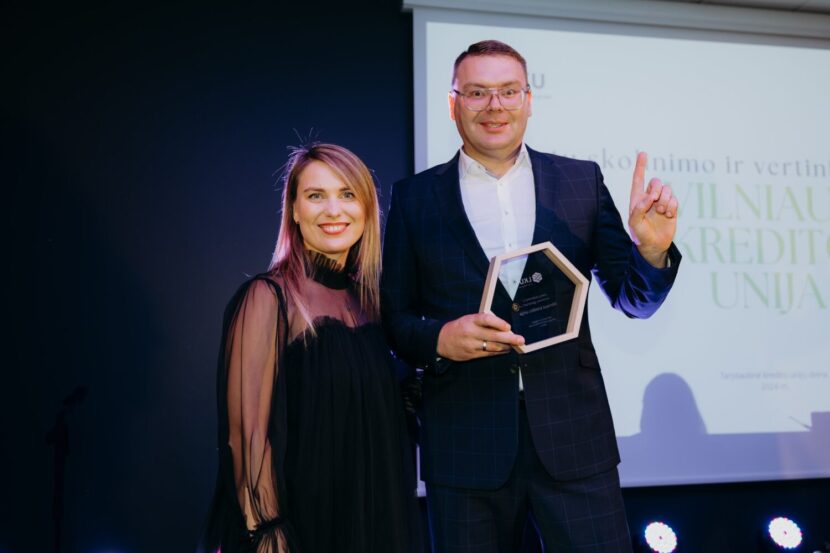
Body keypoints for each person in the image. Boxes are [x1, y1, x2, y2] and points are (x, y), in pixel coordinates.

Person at [381, 40, 681, 552]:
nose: (494, 106)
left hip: (575, 439)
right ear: (453, 104)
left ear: (529, 99)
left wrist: (651, 253)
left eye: (508, 91)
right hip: (465, 446)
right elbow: (396, 320)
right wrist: (441, 339)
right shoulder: (415, 198)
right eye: (477, 92)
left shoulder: (580, 181)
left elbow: (634, 300)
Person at [203, 143, 422, 553]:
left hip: (377, 525)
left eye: (347, 194)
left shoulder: (372, 303)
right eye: (316, 195)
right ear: (294, 210)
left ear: (366, 208)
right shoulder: (269, 298)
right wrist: (266, 533)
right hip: (303, 529)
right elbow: (248, 437)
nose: (333, 210)